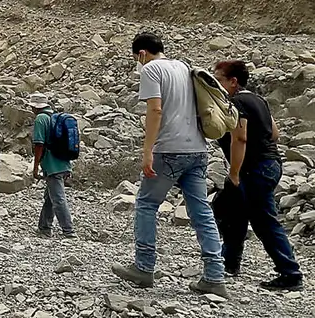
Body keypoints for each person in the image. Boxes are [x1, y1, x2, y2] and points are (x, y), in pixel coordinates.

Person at [112, 33, 227, 297]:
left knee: (146, 204)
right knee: (201, 212)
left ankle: (143, 267)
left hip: (169, 149)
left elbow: (155, 111)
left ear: (141, 53)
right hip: (197, 149)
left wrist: (148, 150)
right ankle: (214, 276)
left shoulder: (151, 69)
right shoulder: (184, 67)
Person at [213, 60, 304, 291]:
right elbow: (275, 133)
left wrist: (234, 173)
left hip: (255, 169)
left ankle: (291, 274)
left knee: (264, 220)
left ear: (233, 81)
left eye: (219, 79)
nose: (216, 83)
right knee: (237, 214)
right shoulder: (257, 99)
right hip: (269, 164)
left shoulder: (236, 102)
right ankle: (228, 262)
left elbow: (239, 138)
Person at [29, 93, 75, 238]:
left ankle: (68, 231)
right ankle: (44, 228)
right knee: (50, 197)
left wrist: (36, 167)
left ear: (34, 107)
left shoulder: (41, 119)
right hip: (63, 163)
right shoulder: (55, 117)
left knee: (58, 198)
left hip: (51, 164)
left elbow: (39, 144)